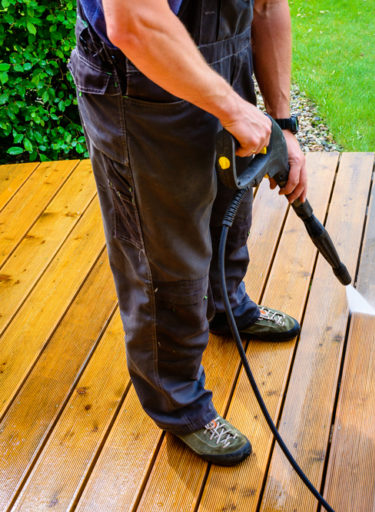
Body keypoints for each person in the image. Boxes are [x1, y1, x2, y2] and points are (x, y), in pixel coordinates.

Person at [68, 0, 306, 466]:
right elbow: (135, 23)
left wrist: (282, 125)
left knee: (229, 206)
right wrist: (232, 108)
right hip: (140, 82)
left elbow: (267, 6)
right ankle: (178, 404)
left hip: (224, 63)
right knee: (164, 253)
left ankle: (227, 306)